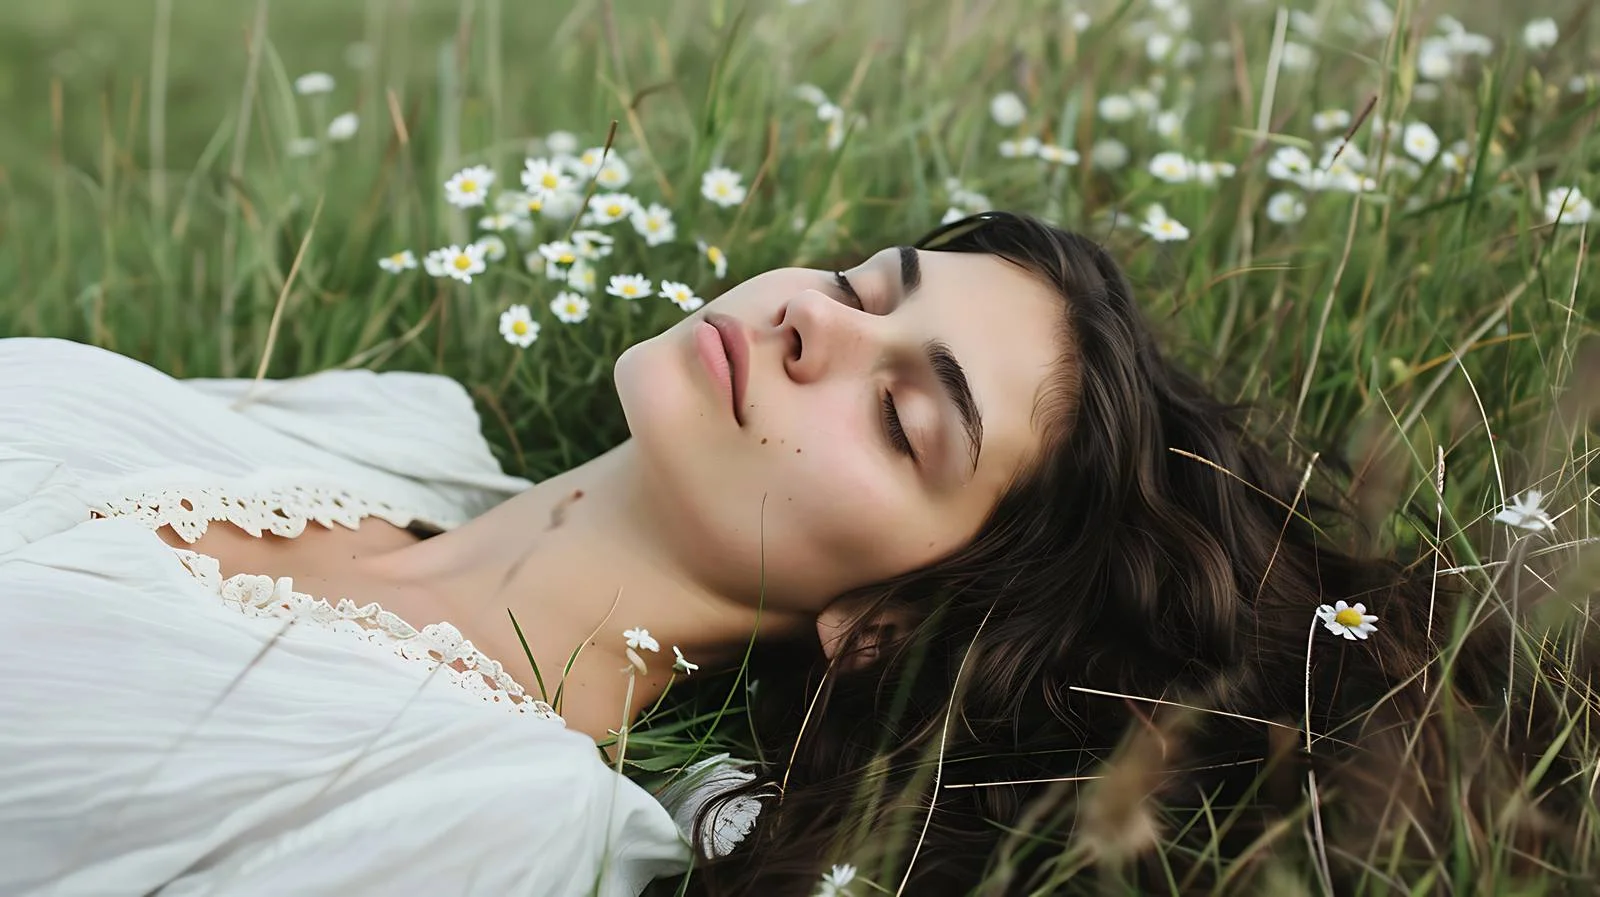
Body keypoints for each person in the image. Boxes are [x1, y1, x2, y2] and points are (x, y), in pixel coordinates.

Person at [0, 211, 1585, 896]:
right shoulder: (377, 425)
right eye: (868, 282)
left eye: (912, 422)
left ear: (886, 622)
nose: (815, 319)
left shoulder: (485, 819)